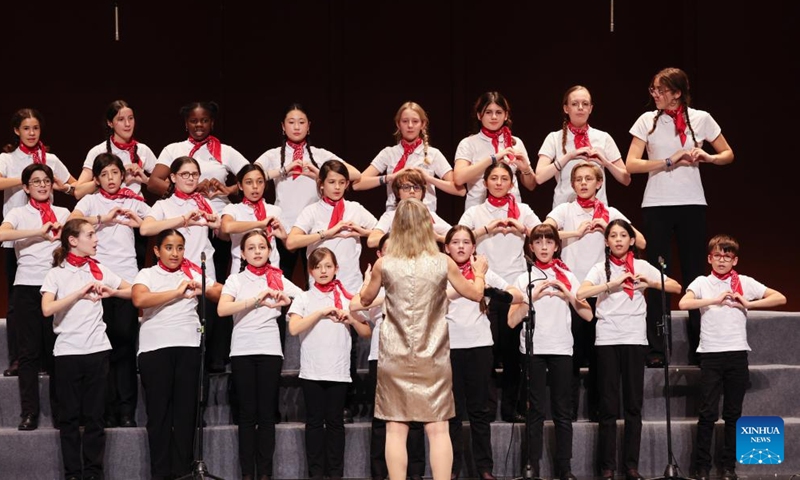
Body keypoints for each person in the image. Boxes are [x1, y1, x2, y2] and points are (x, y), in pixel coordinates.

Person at [352, 198, 488, 480]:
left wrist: (366, 282)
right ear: (428, 226)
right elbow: (475, 293)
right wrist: (479, 273)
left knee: (395, 427)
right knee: (437, 427)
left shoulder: (385, 264)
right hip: (432, 354)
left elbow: (365, 299)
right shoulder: (442, 262)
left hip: (394, 355)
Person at [625, 67, 734, 367]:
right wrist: (669, 160)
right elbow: (631, 164)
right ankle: (657, 348)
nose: (655, 95)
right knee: (658, 277)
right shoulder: (646, 121)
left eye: (660, 90)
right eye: (653, 90)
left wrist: (708, 157)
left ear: (677, 93)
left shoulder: (700, 118)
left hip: (692, 204)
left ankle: (702, 346)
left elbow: (728, 153)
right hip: (657, 205)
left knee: (694, 274)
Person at [576, 219, 681, 480]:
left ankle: (631, 466)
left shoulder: (643, 266)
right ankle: (607, 468)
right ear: (607, 241)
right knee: (609, 406)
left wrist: (650, 282)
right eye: (613, 236)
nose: (619, 240)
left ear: (632, 240)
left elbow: (677, 287)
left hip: (635, 341)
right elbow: (581, 293)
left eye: (624, 235)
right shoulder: (601, 268)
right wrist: (611, 284)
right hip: (608, 340)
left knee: (634, 406)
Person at [543, 162, 645, 421]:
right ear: (573, 184)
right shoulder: (565, 209)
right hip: (574, 291)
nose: (584, 183)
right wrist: (575, 232)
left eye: (589, 179)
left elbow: (641, 241)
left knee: (601, 357)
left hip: (604, 292)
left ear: (599, 183)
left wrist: (607, 226)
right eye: (579, 179)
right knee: (573, 352)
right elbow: (543, 232)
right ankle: (570, 410)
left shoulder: (610, 212)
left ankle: (599, 409)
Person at [678, 235, 786, 480]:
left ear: (734, 260)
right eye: (717, 255)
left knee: (733, 414)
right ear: (710, 258)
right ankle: (702, 468)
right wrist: (714, 300)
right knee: (707, 413)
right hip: (710, 354)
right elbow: (684, 303)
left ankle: (728, 467)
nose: (722, 260)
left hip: (737, 353)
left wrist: (747, 303)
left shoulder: (744, 282)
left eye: (727, 257)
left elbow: (780, 297)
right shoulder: (702, 282)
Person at [41, 218, 132, 480]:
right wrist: (78, 293)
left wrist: (111, 292)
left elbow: (133, 291)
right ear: (73, 240)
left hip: (97, 350)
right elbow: (47, 309)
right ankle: (72, 473)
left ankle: (93, 472)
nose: (96, 239)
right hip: (68, 351)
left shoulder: (99, 269)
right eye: (90, 234)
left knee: (95, 417)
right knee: (69, 418)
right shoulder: (56, 273)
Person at [131, 229, 222, 480]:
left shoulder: (193, 270)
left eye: (180, 247)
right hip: (155, 350)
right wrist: (177, 292)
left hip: (189, 347)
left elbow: (220, 293)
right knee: (159, 415)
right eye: (169, 247)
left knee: (185, 414)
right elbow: (139, 299)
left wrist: (201, 287)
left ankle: (183, 473)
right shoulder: (147, 273)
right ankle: (160, 474)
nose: (175, 253)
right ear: (157, 250)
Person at [69, 153, 151, 428]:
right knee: (101, 349)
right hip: (97, 280)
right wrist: (103, 217)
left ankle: (126, 411)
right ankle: (104, 410)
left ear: (122, 174)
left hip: (125, 279)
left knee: (125, 345)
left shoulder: (133, 199)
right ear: (96, 179)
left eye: (114, 173)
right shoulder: (91, 201)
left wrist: (137, 222)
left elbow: (153, 224)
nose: (110, 178)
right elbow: (73, 223)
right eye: (104, 175)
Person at [458, 162, 541, 423]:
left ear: (511, 183)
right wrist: (488, 228)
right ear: (485, 183)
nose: (498, 182)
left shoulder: (523, 210)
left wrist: (522, 227)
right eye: (493, 178)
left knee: (513, 354)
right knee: (487, 353)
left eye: (504, 178)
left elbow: (543, 233)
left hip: (512, 288)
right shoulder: (476, 212)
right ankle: (485, 408)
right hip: (483, 287)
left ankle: (511, 408)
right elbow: (457, 237)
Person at [507, 224, 592, 480]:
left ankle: (564, 468)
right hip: (533, 349)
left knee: (562, 411)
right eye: (538, 242)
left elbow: (588, 315)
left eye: (549, 242)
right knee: (535, 411)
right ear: (531, 247)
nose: (544, 247)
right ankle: (531, 466)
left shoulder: (568, 276)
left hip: (561, 349)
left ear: (556, 246)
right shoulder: (523, 279)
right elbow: (512, 321)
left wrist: (567, 293)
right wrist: (532, 298)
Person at [0, 108, 77, 377]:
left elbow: (74, 186)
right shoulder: (8, 158)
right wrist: (27, 176)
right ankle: (20, 358)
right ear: (16, 131)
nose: (32, 133)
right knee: (17, 304)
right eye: (26, 128)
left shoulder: (51, 159)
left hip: (48, 240)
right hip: (19, 235)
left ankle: (47, 357)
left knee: (51, 298)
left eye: (36, 128)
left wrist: (61, 186)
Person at [217, 229, 300, 480]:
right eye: (251, 248)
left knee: (266, 414)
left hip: (270, 350)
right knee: (246, 415)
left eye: (262, 247)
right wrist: (255, 300)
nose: (257, 252)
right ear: (242, 253)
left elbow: (306, 296)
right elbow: (222, 309)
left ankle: (265, 474)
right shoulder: (235, 280)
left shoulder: (277, 277)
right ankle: (247, 474)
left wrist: (288, 301)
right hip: (242, 350)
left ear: (269, 250)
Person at [444, 225, 523, 480]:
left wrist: (493, 292)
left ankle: (484, 468)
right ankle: (452, 468)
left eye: (466, 242)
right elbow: (441, 297)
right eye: (455, 242)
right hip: (449, 347)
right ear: (446, 248)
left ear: (473, 247)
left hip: (479, 346)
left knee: (479, 411)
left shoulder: (483, 272)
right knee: (451, 412)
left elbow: (518, 294)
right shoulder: (441, 271)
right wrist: (476, 284)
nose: (461, 246)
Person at [287, 247, 372, 480]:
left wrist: (351, 318)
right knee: (314, 423)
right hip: (312, 370)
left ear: (336, 269)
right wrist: (321, 313)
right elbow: (294, 328)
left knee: (335, 424)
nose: (323, 271)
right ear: (311, 271)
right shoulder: (304, 297)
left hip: (338, 370)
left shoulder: (347, 297)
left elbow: (366, 332)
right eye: (317, 267)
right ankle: (315, 473)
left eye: (328, 266)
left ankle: (336, 474)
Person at [254, 102, 361, 286]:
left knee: (315, 282)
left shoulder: (319, 155)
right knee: (280, 281)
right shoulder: (274, 155)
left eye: (301, 122)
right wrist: (283, 170)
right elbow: (252, 174)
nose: (296, 127)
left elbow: (355, 174)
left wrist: (320, 173)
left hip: (313, 228)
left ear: (309, 126)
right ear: (283, 126)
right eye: (291, 122)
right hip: (283, 228)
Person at [349, 233, 427, 480]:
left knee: (414, 418)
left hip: (412, 355)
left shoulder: (416, 278)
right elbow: (355, 305)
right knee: (381, 418)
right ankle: (380, 473)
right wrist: (368, 284)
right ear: (380, 255)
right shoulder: (373, 282)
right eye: (387, 251)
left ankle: (415, 473)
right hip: (381, 357)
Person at [139, 156, 226, 371]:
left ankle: (202, 387)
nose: (190, 178)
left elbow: (224, 237)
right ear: (173, 177)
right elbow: (145, 229)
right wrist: (182, 220)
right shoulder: (164, 205)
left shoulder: (205, 203)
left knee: (205, 333)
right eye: (184, 174)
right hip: (174, 275)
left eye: (194, 174)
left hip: (202, 274)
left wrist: (218, 225)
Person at [0, 164, 69, 430]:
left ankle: (60, 411)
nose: (42, 185)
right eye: (36, 181)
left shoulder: (63, 212)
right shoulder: (18, 213)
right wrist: (38, 232)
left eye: (47, 181)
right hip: (27, 287)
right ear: (26, 187)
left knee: (56, 353)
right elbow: (3, 233)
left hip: (56, 288)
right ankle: (29, 412)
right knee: (28, 355)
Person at [354, 101, 463, 211]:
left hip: (424, 216)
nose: (410, 125)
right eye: (405, 121)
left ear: (423, 124)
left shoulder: (433, 154)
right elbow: (357, 184)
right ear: (398, 124)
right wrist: (390, 177)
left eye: (415, 121)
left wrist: (429, 179)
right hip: (394, 216)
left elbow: (460, 191)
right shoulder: (388, 153)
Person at [535, 85, 630, 210]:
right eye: (574, 104)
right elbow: (539, 177)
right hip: (564, 209)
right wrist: (569, 156)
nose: (580, 108)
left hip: (597, 211)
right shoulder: (554, 137)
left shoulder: (603, 137)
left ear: (590, 108)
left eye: (585, 104)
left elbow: (626, 179)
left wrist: (606, 163)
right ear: (566, 108)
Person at [453, 91, 536, 210]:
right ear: (479, 115)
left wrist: (526, 169)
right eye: (488, 112)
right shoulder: (468, 143)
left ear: (506, 115)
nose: (494, 117)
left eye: (498, 112)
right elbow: (459, 178)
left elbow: (531, 185)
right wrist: (493, 158)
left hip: (511, 211)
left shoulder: (516, 143)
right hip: (478, 211)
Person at [74, 99, 158, 199]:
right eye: (121, 119)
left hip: (135, 208)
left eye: (130, 118)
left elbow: (165, 185)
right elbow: (78, 192)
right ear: (110, 123)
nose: (127, 124)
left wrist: (145, 180)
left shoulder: (143, 150)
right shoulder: (98, 151)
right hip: (105, 208)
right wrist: (112, 174)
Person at [221, 164, 287, 278]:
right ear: (240, 186)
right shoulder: (233, 209)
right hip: (241, 271)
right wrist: (260, 224)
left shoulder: (275, 210)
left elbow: (290, 246)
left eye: (260, 182)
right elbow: (226, 227)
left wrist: (284, 237)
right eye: (249, 182)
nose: (255, 186)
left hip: (272, 271)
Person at [366, 169, 451, 248]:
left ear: (422, 193)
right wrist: (406, 237)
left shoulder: (430, 215)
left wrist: (439, 238)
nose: (412, 191)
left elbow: (455, 237)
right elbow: (372, 241)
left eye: (417, 187)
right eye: (406, 187)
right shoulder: (390, 216)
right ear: (398, 192)